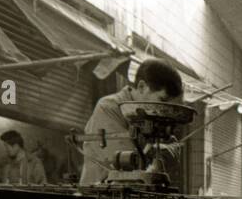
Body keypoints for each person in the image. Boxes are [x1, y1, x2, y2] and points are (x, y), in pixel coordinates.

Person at [78, 57, 185, 186]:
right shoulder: (109, 107)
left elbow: (172, 149)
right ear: (142, 87)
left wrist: (164, 152)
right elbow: (127, 164)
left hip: (138, 193)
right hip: (102, 194)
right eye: (162, 100)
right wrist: (158, 155)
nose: (165, 110)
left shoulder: (152, 116)